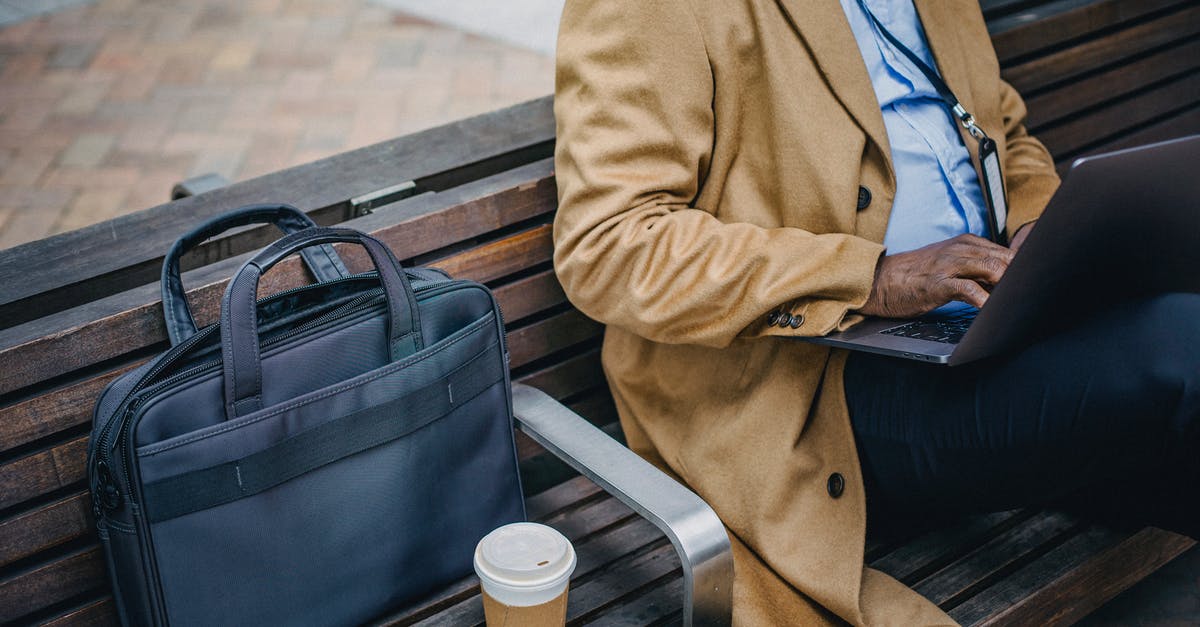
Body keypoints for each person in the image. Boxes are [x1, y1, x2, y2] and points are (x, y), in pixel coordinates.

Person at [552, 0, 1199, 624]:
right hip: (816, 382)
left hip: (991, 316)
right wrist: (872, 277)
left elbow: (1007, 135)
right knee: (1180, 349)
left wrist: (1039, 225)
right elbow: (608, 242)